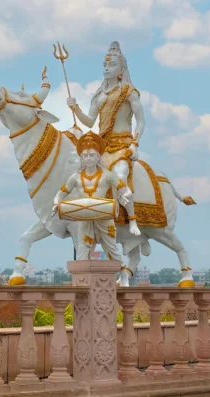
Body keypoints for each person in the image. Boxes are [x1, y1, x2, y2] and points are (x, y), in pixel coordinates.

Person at [52, 131, 141, 286]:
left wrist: (125, 194)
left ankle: (124, 275)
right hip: (85, 218)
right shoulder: (76, 178)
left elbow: (123, 189)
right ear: (81, 158)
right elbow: (61, 193)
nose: (88, 159)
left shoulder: (107, 175)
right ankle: (80, 281)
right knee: (83, 249)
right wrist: (56, 203)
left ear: (98, 157)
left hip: (104, 216)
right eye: (85, 155)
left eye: (92, 155)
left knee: (111, 249)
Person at [66, 41, 145, 184]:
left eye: (112, 65)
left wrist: (135, 144)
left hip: (122, 146)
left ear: (122, 70)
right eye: (105, 65)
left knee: (120, 178)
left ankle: (127, 206)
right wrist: (75, 108)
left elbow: (141, 121)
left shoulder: (128, 92)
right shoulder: (99, 95)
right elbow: (90, 121)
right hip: (101, 147)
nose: (107, 68)